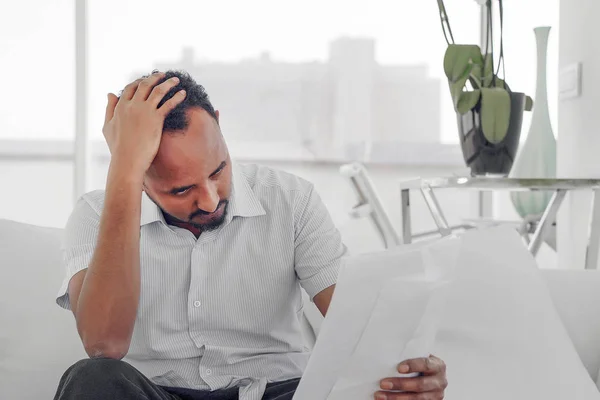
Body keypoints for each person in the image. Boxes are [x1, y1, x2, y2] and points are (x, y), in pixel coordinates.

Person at [53, 70, 447, 400]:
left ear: (220, 126)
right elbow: (105, 345)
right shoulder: (95, 213)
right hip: (157, 393)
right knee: (92, 379)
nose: (209, 200)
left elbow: (357, 323)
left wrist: (412, 371)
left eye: (217, 170)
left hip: (275, 390)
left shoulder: (290, 199)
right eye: (181, 190)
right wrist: (124, 169)